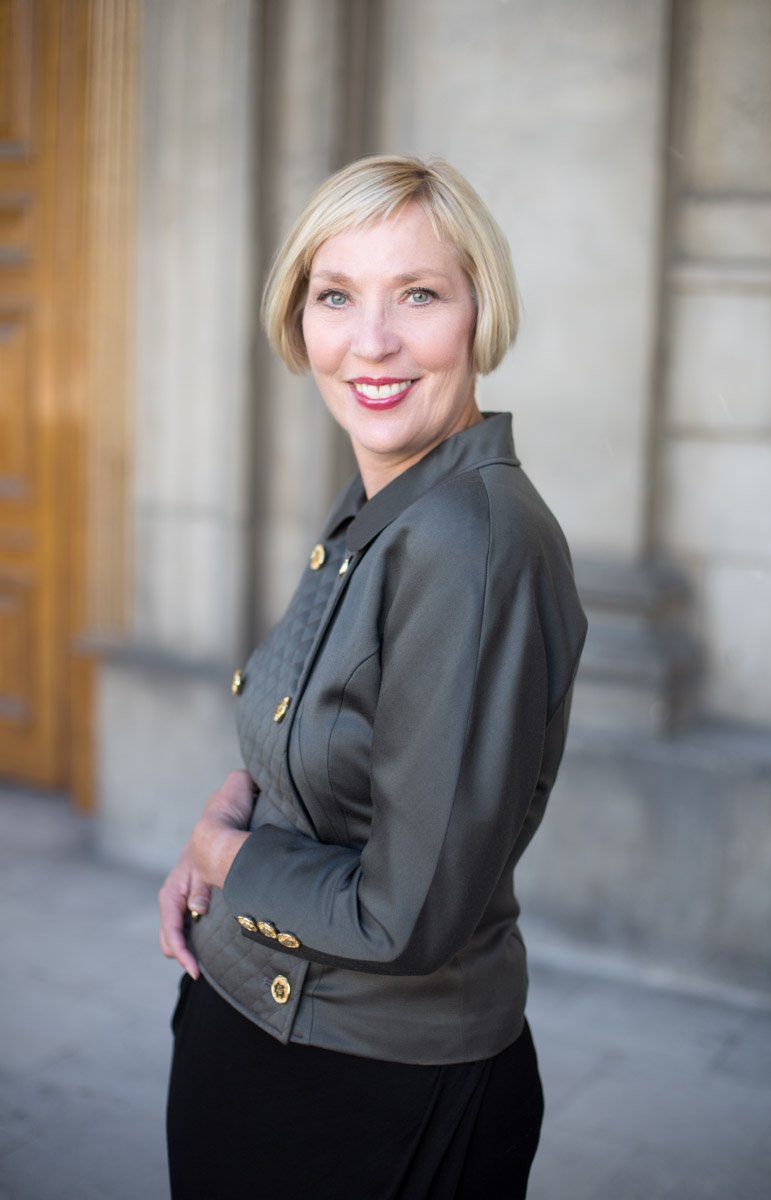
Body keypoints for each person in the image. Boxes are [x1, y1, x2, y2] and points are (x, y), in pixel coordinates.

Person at [158, 154, 587, 1199]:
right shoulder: (383, 495)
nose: (373, 341)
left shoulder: (469, 542)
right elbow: (328, 735)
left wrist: (226, 856)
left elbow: (407, 915)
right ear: (297, 318)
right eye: (336, 295)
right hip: (263, 1033)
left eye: (419, 295)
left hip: (367, 1095)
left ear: (478, 312)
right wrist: (230, 811)